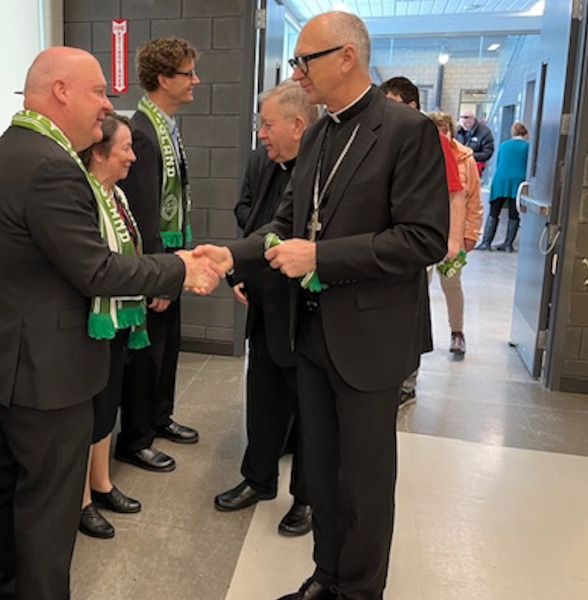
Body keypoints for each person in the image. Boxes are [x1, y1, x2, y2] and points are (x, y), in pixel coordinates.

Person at [196, 12, 449, 600]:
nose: (297, 72)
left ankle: (359, 592)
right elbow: (285, 226)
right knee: (324, 474)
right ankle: (327, 576)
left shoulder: (406, 131)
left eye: (305, 59)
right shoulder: (319, 134)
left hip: (369, 339)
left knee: (362, 480)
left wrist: (323, 258)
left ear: (347, 58)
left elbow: (423, 240)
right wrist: (231, 255)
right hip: (310, 335)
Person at [0, 47, 221, 600]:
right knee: (50, 513)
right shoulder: (51, 165)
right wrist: (179, 267)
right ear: (60, 90)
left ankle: (2, 588)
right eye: (99, 92)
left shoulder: (4, 150)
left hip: (12, 360)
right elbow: (96, 268)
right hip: (46, 370)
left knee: (13, 489)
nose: (107, 106)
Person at [216, 81, 318, 537]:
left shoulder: (322, 170)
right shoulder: (264, 162)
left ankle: (308, 499)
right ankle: (258, 478)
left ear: (298, 126)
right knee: (262, 398)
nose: (260, 133)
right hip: (264, 300)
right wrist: (237, 272)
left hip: (306, 310)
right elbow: (257, 223)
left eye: (266, 124)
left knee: (310, 411)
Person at [117, 37, 202, 473]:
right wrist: (159, 275)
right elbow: (144, 211)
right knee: (146, 353)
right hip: (157, 260)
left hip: (174, 255)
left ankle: (159, 417)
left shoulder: (165, 125)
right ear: (164, 78)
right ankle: (135, 438)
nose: (195, 81)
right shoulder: (143, 133)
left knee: (169, 347)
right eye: (188, 73)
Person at [76, 112, 145, 539]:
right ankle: (81, 498)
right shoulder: (84, 195)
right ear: (99, 154)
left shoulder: (115, 194)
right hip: (93, 320)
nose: (133, 157)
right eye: (125, 148)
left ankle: (101, 482)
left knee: (109, 402)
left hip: (118, 316)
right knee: (92, 408)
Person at [379, 77, 464, 408]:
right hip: (388, 241)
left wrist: (453, 240)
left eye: (394, 103)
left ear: (412, 106)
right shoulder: (381, 136)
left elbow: (455, 192)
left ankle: (407, 382)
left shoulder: (428, 136)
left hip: (420, 242)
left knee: (412, 309)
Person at [429, 111, 484, 354]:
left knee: (452, 285)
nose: (442, 135)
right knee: (418, 287)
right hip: (426, 230)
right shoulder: (424, 155)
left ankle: (457, 332)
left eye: (445, 129)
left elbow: (473, 199)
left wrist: (470, 233)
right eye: (437, 130)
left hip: (454, 232)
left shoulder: (465, 158)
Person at [477, 122, 530, 252]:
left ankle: (486, 242)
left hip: (500, 180)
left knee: (494, 212)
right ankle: (508, 244)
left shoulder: (503, 145)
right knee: (514, 213)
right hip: (518, 181)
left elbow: (499, 162)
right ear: (526, 134)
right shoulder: (528, 147)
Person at [456, 109, 495, 173]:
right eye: (462, 124)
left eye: (466, 123)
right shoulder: (457, 131)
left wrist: (470, 156)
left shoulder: (484, 132)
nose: (464, 125)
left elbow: (487, 153)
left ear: (472, 119)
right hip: (459, 166)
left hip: (475, 167)